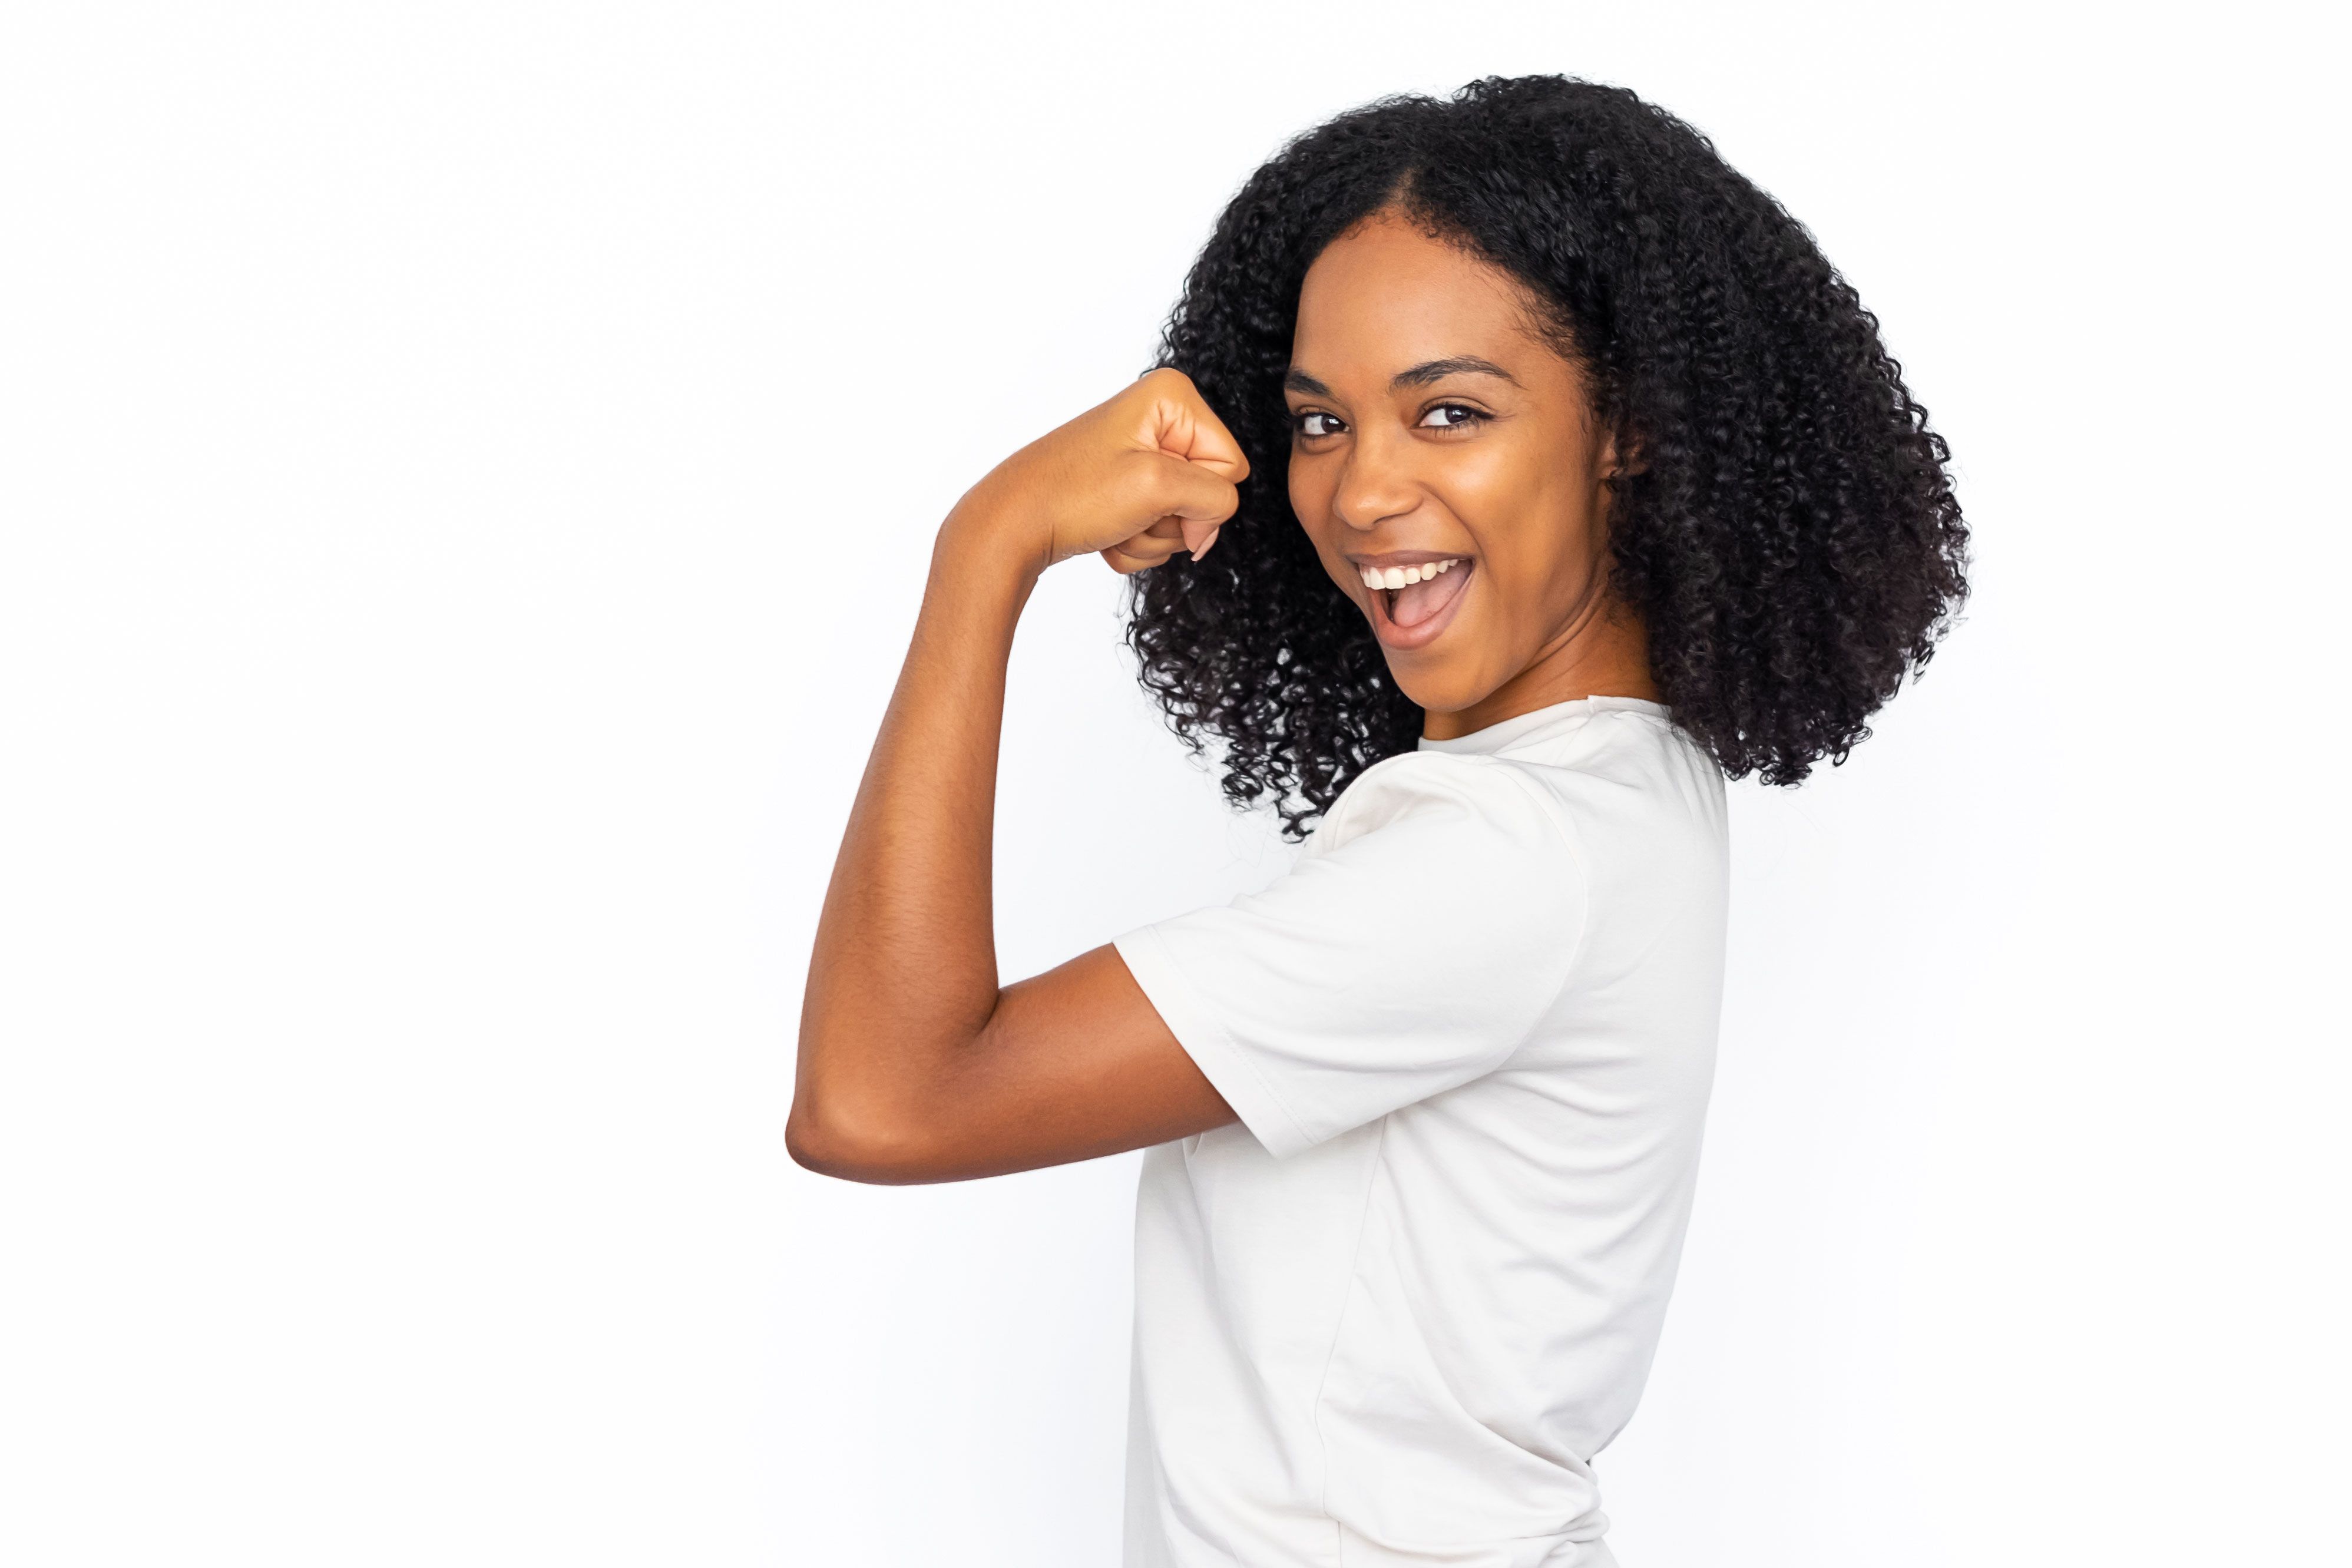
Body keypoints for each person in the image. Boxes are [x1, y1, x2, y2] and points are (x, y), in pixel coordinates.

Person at [789, 74, 1967, 1568]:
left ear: (1629, 429)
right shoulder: (1608, 787)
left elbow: (881, 1097)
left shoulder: (1511, 856)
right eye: (1320, 421)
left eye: (1450, 411)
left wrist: (987, 545)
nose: (1358, 493)